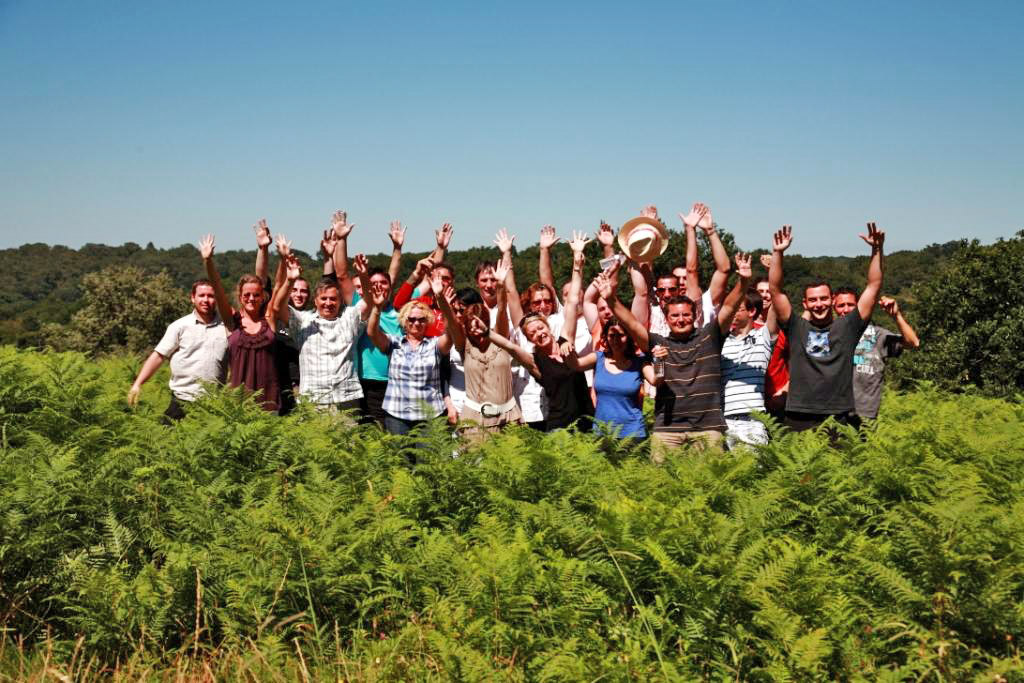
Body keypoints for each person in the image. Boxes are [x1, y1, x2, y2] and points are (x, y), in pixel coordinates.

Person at [601, 252, 750, 463]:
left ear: (695, 315)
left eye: (686, 314)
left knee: (708, 481)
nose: (681, 320)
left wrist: (743, 282)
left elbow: (729, 306)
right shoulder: (657, 343)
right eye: (675, 315)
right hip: (667, 429)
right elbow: (632, 324)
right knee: (662, 481)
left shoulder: (710, 336)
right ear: (667, 318)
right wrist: (610, 299)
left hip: (707, 428)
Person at [768, 223, 886, 433]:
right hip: (798, 415)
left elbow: (873, 285)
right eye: (813, 300)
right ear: (805, 304)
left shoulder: (848, 326)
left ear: (832, 300)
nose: (819, 304)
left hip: (838, 416)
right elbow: (775, 290)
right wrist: (778, 253)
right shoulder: (795, 327)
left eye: (823, 298)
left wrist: (877, 249)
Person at [558, 233, 662, 441]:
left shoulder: (635, 340)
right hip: (602, 428)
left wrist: (632, 257)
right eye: (611, 335)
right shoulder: (597, 338)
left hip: (632, 430)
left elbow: (641, 294)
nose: (616, 339)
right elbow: (586, 299)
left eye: (620, 335)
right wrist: (605, 261)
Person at [274, 231, 373, 413]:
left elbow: (369, 301)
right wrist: (290, 280)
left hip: (346, 399)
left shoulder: (350, 318)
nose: (328, 303)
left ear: (340, 301)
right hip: (314, 401)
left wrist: (364, 276)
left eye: (333, 299)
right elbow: (278, 307)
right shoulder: (303, 321)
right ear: (316, 301)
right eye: (324, 299)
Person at [198, 233, 288, 413]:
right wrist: (208, 261)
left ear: (262, 297)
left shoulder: (269, 318)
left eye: (256, 295)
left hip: (269, 403)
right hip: (238, 405)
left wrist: (284, 259)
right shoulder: (232, 320)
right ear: (240, 297)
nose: (251, 298)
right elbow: (217, 287)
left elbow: (279, 285)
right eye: (247, 295)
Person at [365, 265, 457, 435]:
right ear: (404, 321)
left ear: (427, 321)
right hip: (397, 414)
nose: (416, 323)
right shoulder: (394, 343)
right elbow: (372, 332)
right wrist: (376, 308)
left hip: (430, 416)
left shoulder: (435, 345)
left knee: (430, 453)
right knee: (400, 454)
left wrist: (443, 302)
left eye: (421, 320)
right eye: (412, 319)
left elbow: (451, 333)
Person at [127, 280, 229, 422]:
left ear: (217, 299)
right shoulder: (179, 326)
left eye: (211, 296)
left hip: (215, 404)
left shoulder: (227, 328)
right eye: (201, 295)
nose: (206, 300)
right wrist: (138, 384)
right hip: (181, 401)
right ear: (193, 298)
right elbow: (158, 356)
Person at [442, 259, 522, 439]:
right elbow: (452, 322)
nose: (477, 326)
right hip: (472, 414)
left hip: (506, 416)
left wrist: (501, 286)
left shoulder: (499, 341)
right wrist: (442, 300)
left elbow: (502, 311)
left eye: (483, 322)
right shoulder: (463, 345)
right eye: (472, 323)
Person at [832, 290, 920, 423]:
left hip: (865, 414)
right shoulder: (828, 334)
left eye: (850, 305)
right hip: (832, 412)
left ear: (859, 306)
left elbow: (913, 343)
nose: (846, 310)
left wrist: (896, 315)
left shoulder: (877, 335)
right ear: (834, 308)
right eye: (841, 305)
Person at [719, 272, 779, 448]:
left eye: (737, 308)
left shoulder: (764, 336)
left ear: (752, 311)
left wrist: (772, 267)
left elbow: (777, 298)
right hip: (723, 421)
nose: (730, 312)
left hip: (752, 422)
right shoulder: (720, 340)